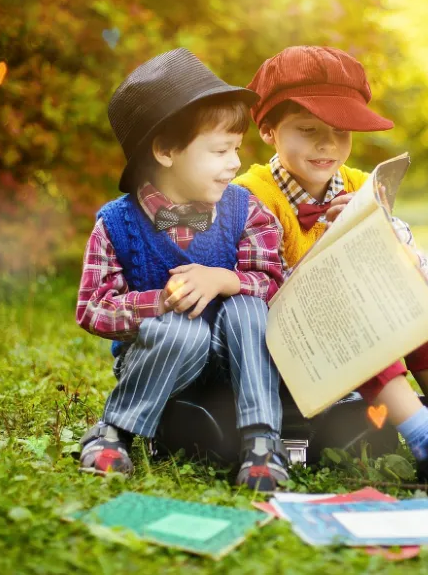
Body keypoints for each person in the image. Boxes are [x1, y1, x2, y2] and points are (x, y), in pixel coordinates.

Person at [234, 46, 428, 501]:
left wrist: (377, 231)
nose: (327, 145)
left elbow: (405, 260)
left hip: (348, 336)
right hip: (285, 344)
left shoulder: (358, 185)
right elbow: (261, 291)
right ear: (269, 130)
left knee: (414, 295)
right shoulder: (251, 196)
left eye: (340, 132)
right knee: (353, 313)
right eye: (308, 130)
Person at [75, 48, 288, 491]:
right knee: (180, 326)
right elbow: (93, 308)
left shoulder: (246, 210)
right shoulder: (117, 223)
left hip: (237, 360)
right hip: (167, 363)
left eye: (236, 149)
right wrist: (159, 303)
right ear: (166, 150)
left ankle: (262, 444)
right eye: (220, 150)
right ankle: (115, 432)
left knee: (247, 309)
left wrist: (225, 280)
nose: (234, 162)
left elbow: (272, 282)